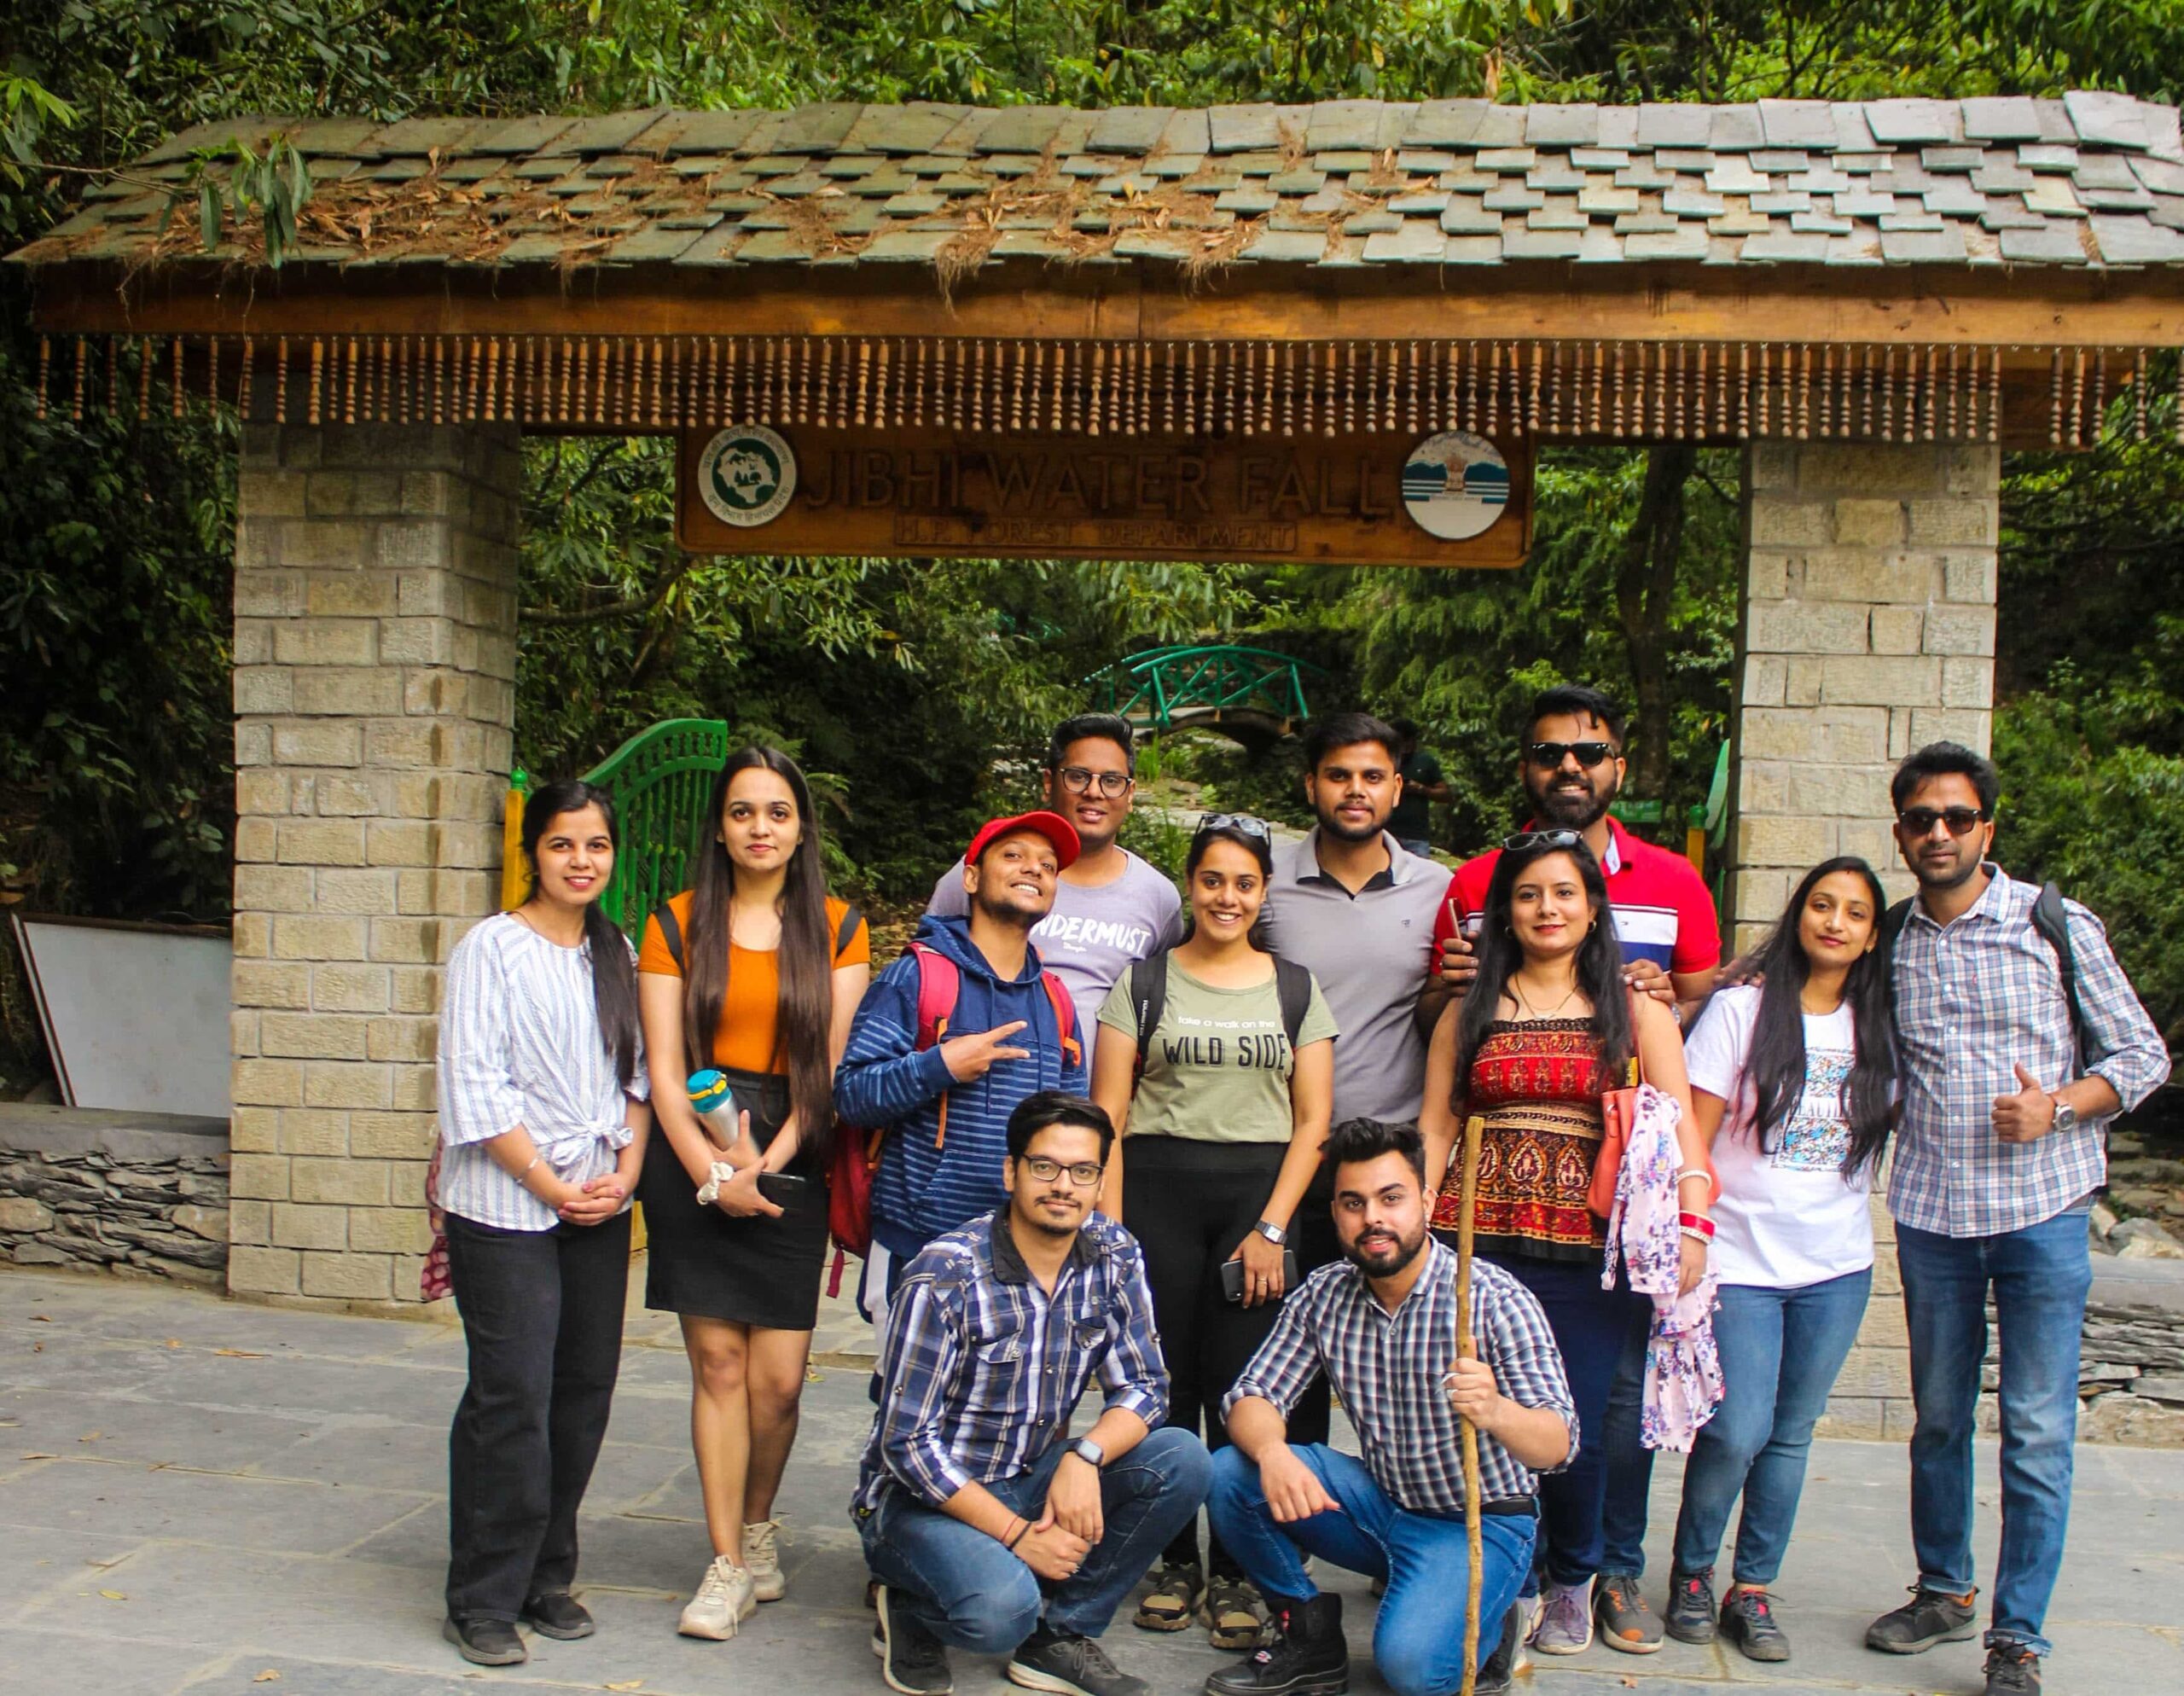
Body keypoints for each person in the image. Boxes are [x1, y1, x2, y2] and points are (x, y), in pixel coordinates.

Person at [1862, 743, 2169, 1696]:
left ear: (1986, 828)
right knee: (1939, 1420)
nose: (1939, 833)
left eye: (1957, 817)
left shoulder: (2052, 922)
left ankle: (2018, 1636)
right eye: (1921, 818)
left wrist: (2060, 1106)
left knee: (2035, 1430)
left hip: (2044, 1211)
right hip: (1934, 1213)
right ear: (1901, 832)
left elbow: (2142, 1055)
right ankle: (1943, 1589)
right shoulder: (1892, 938)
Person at [1426, 683, 1722, 1653]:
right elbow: (1436, 1124)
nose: (1546, 908)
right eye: (1528, 895)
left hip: (1592, 1248)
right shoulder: (1468, 1009)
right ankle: (1508, 1572)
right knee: (1487, 1410)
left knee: (1580, 1418)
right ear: (1504, 912)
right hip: (1477, 1240)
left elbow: (1680, 1131)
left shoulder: (1637, 1009)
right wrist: (1414, 1224)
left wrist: (1691, 1226)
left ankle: (1574, 1574)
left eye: (1564, 893)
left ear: (1592, 909)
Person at [854, 1092, 1213, 1696]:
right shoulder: (945, 1275)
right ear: (1011, 1172)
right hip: (921, 1502)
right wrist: (1019, 1537)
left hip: (1029, 1474)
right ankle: (910, 1609)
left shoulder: (1113, 1254)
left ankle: (1060, 1636)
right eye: (1045, 1167)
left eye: (1083, 1171)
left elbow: (1147, 1386)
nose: (1063, 1186)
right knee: (1001, 1614)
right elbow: (907, 1446)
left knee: (1181, 1458)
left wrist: (1085, 1457)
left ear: (1100, 1182)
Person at [1201, 1118, 1577, 1696]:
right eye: (1354, 1203)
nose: (1372, 1218)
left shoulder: (1492, 1298)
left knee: (1412, 1671)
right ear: (1336, 1213)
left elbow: (1558, 1445)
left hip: (1478, 1523)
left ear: (1426, 1200)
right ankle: (1308, 1634)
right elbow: (1252, 1397)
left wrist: (1496, 1410)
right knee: (1232, 1472)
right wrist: (1273, 1453)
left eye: (1391, 1198)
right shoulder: (1325, 1293)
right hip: (1382, 1506)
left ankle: (1490, 1618)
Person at [636, 747, 871, 1639]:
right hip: (692, 1144)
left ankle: (759, 1522)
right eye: (742, 812)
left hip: (792, 1142)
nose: (759, 828)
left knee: (775, 1383)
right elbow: (664, 1070)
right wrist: (710, 1172)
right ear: (720, 828)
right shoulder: (674, 923)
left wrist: (759, 1166)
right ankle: (725, 1561)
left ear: (801, 829)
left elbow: (826, 1072)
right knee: (719, 1367)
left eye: (777, 812)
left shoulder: (839, 928)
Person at [1089, 815, 1339, 1651]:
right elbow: (1108, 1114)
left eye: (1244, 883)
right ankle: (1170, 1559)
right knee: (1162, 1387)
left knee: (1243, 1389)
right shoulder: (1143, 982)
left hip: (1256, 1204)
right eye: (1212, 880)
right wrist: (1112, 1234)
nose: (1227, 897)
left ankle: (1235, 1566)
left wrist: (1273, 1227)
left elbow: (1314, 1122)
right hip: (1155, 1191)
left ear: (1263, 893)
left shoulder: (1295, 988)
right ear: (1189, 886)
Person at [434, 779, 651, 1668]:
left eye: (596, 845)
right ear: (535, 853)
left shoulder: (617, 951)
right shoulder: (490, 948)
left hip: (598, 1201)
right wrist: (550, 1183)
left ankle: (545, 1573)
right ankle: (483, 1595)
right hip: (507, 1205)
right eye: (563, 844)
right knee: (512, 1394)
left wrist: (624, 1175)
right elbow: (474, 1084)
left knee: (581, 1391)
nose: (580, 861)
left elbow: (638, 1077)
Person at [1663, 857, 1897, 1664]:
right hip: (1740, 1258)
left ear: (1872, 936)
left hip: (1836, 1267)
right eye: (1822, 905)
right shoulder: (1741, 1010)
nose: (1836, 922)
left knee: (1791, 1434)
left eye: (1856, 913)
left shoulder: (1883, 1024)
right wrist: (1691, 1231)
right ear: (1799, 916)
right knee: (1736, 1429)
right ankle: (1694, 1572)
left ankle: (1752, 1588)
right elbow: (1692, 1135)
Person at [838, 811, 1090, 1279]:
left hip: (1023, 1249)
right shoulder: (916, 976)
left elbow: (1075, 1127)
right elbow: (852, 1096)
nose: (1033, 869)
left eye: (1048, 865)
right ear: (971, 878)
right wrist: (940, 1066)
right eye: (1013, 855)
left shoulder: (1056, 1001)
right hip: (916, 1247)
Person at [927, 713, 1184, 1069]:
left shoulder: (1159, 897)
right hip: (979, 1088)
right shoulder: (990, 873)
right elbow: (927, 967)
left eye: (1112, 781)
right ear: (1049, 783)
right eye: (1078, 776)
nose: (1094, 792)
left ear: (1130, 794)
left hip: (1094, 1097)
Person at [1385, 717, 1450, 860]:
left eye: (1409, 740)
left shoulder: (1425, 761)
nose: (1406, 746)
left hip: (1416, 836)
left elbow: (1445, 795)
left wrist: (1421, 789)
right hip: (1386, 832)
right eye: (1401, 741)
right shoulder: (1385, 761)